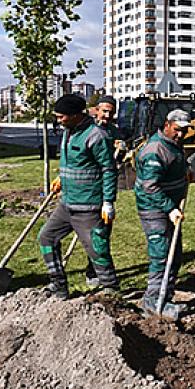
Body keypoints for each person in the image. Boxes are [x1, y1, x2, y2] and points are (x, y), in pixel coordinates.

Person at [37, 94, 120, 299]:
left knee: (97, 249)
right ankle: (59, 285)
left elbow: (109, 170)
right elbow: (75, 163)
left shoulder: (96, 136)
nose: (58, 120)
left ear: (76, 115)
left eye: (61, 117)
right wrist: (61, 177)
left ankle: (110, 289)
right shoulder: (68, 132)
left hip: (88, 206)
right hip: (67, 204)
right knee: (46, 237)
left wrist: (108, 202)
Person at [135, 109, 192, 319]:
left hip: (170, 207)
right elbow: (150, 186)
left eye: (184, 131)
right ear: (167, 125)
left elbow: (173, 164)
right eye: (177, 130)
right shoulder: (154, 150)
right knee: (161, 255)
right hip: (154, 208)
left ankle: (165, 297)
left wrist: (186, 171)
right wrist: (170, 208)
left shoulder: (174, 144)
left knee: (174, 254)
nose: (180, 135)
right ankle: (152, 302)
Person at [82, 95, 123, 288]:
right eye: (104, 111)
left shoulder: (114, 132)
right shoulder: (88, 130)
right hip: (88, 188)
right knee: (91, 233)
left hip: (106, 188)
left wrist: (121, 152)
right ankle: (93, 272)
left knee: (103, 233)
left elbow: (115, 161)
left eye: (111, 112)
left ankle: (95, 271)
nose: (107, 115)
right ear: (96, 110)